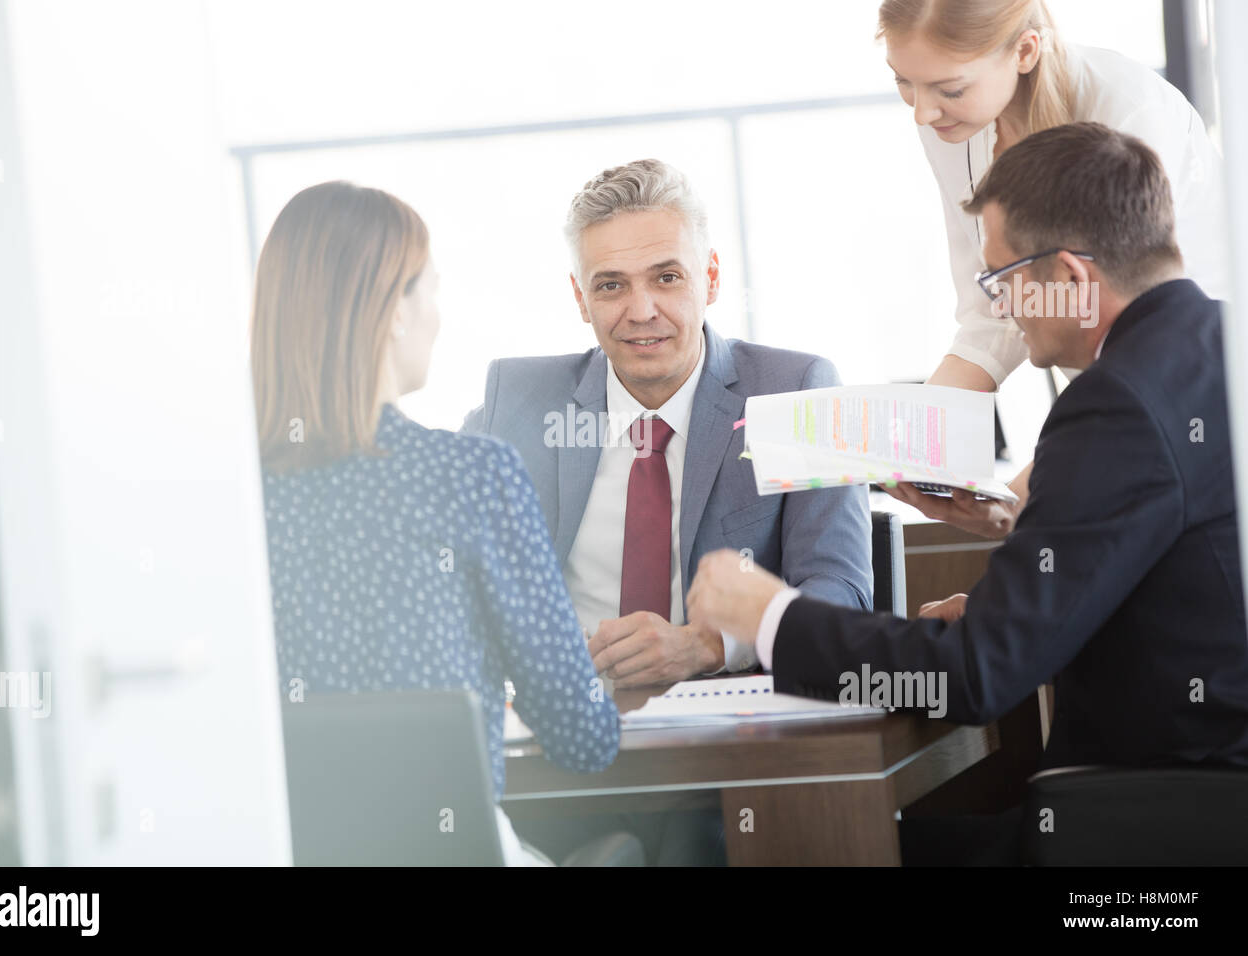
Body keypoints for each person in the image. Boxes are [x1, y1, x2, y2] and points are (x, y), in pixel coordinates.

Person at [686, 122, 1248, 865]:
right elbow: (1184, 572)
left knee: (809, 850)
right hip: (1202, 799)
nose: (1001, 307)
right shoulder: (1218, 348)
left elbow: (976, 674)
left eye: (1002, 278)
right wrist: (1015, 563)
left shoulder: (1116, 403)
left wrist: (771, 618)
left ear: (1074, 280)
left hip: (1148, 829)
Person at [250, 181, 619, 866]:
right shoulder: (471, 477)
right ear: (392, 309)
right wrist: (608, 684)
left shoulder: (230, 500)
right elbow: (581, 738)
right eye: (431, 292)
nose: (438, 317)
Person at [463, 158, 872, 687]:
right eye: (610, 286)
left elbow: (839, 591)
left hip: (735, 727)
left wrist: (708, 645)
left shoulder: (795, 391)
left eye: (667, 277)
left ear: (712, 277)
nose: (641, 310)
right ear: (580, 299)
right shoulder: (516, 402)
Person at [877, 0, 1229, 538]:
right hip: (1116, 404)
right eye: (904, 82)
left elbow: (1146, 357)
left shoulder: (1129, 112)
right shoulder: (952, 120)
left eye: (948, 89)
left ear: (1024, 50)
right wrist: (908, 444)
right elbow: (992, 307)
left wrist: (1021, 497)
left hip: (1198, 400)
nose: (922, 112)